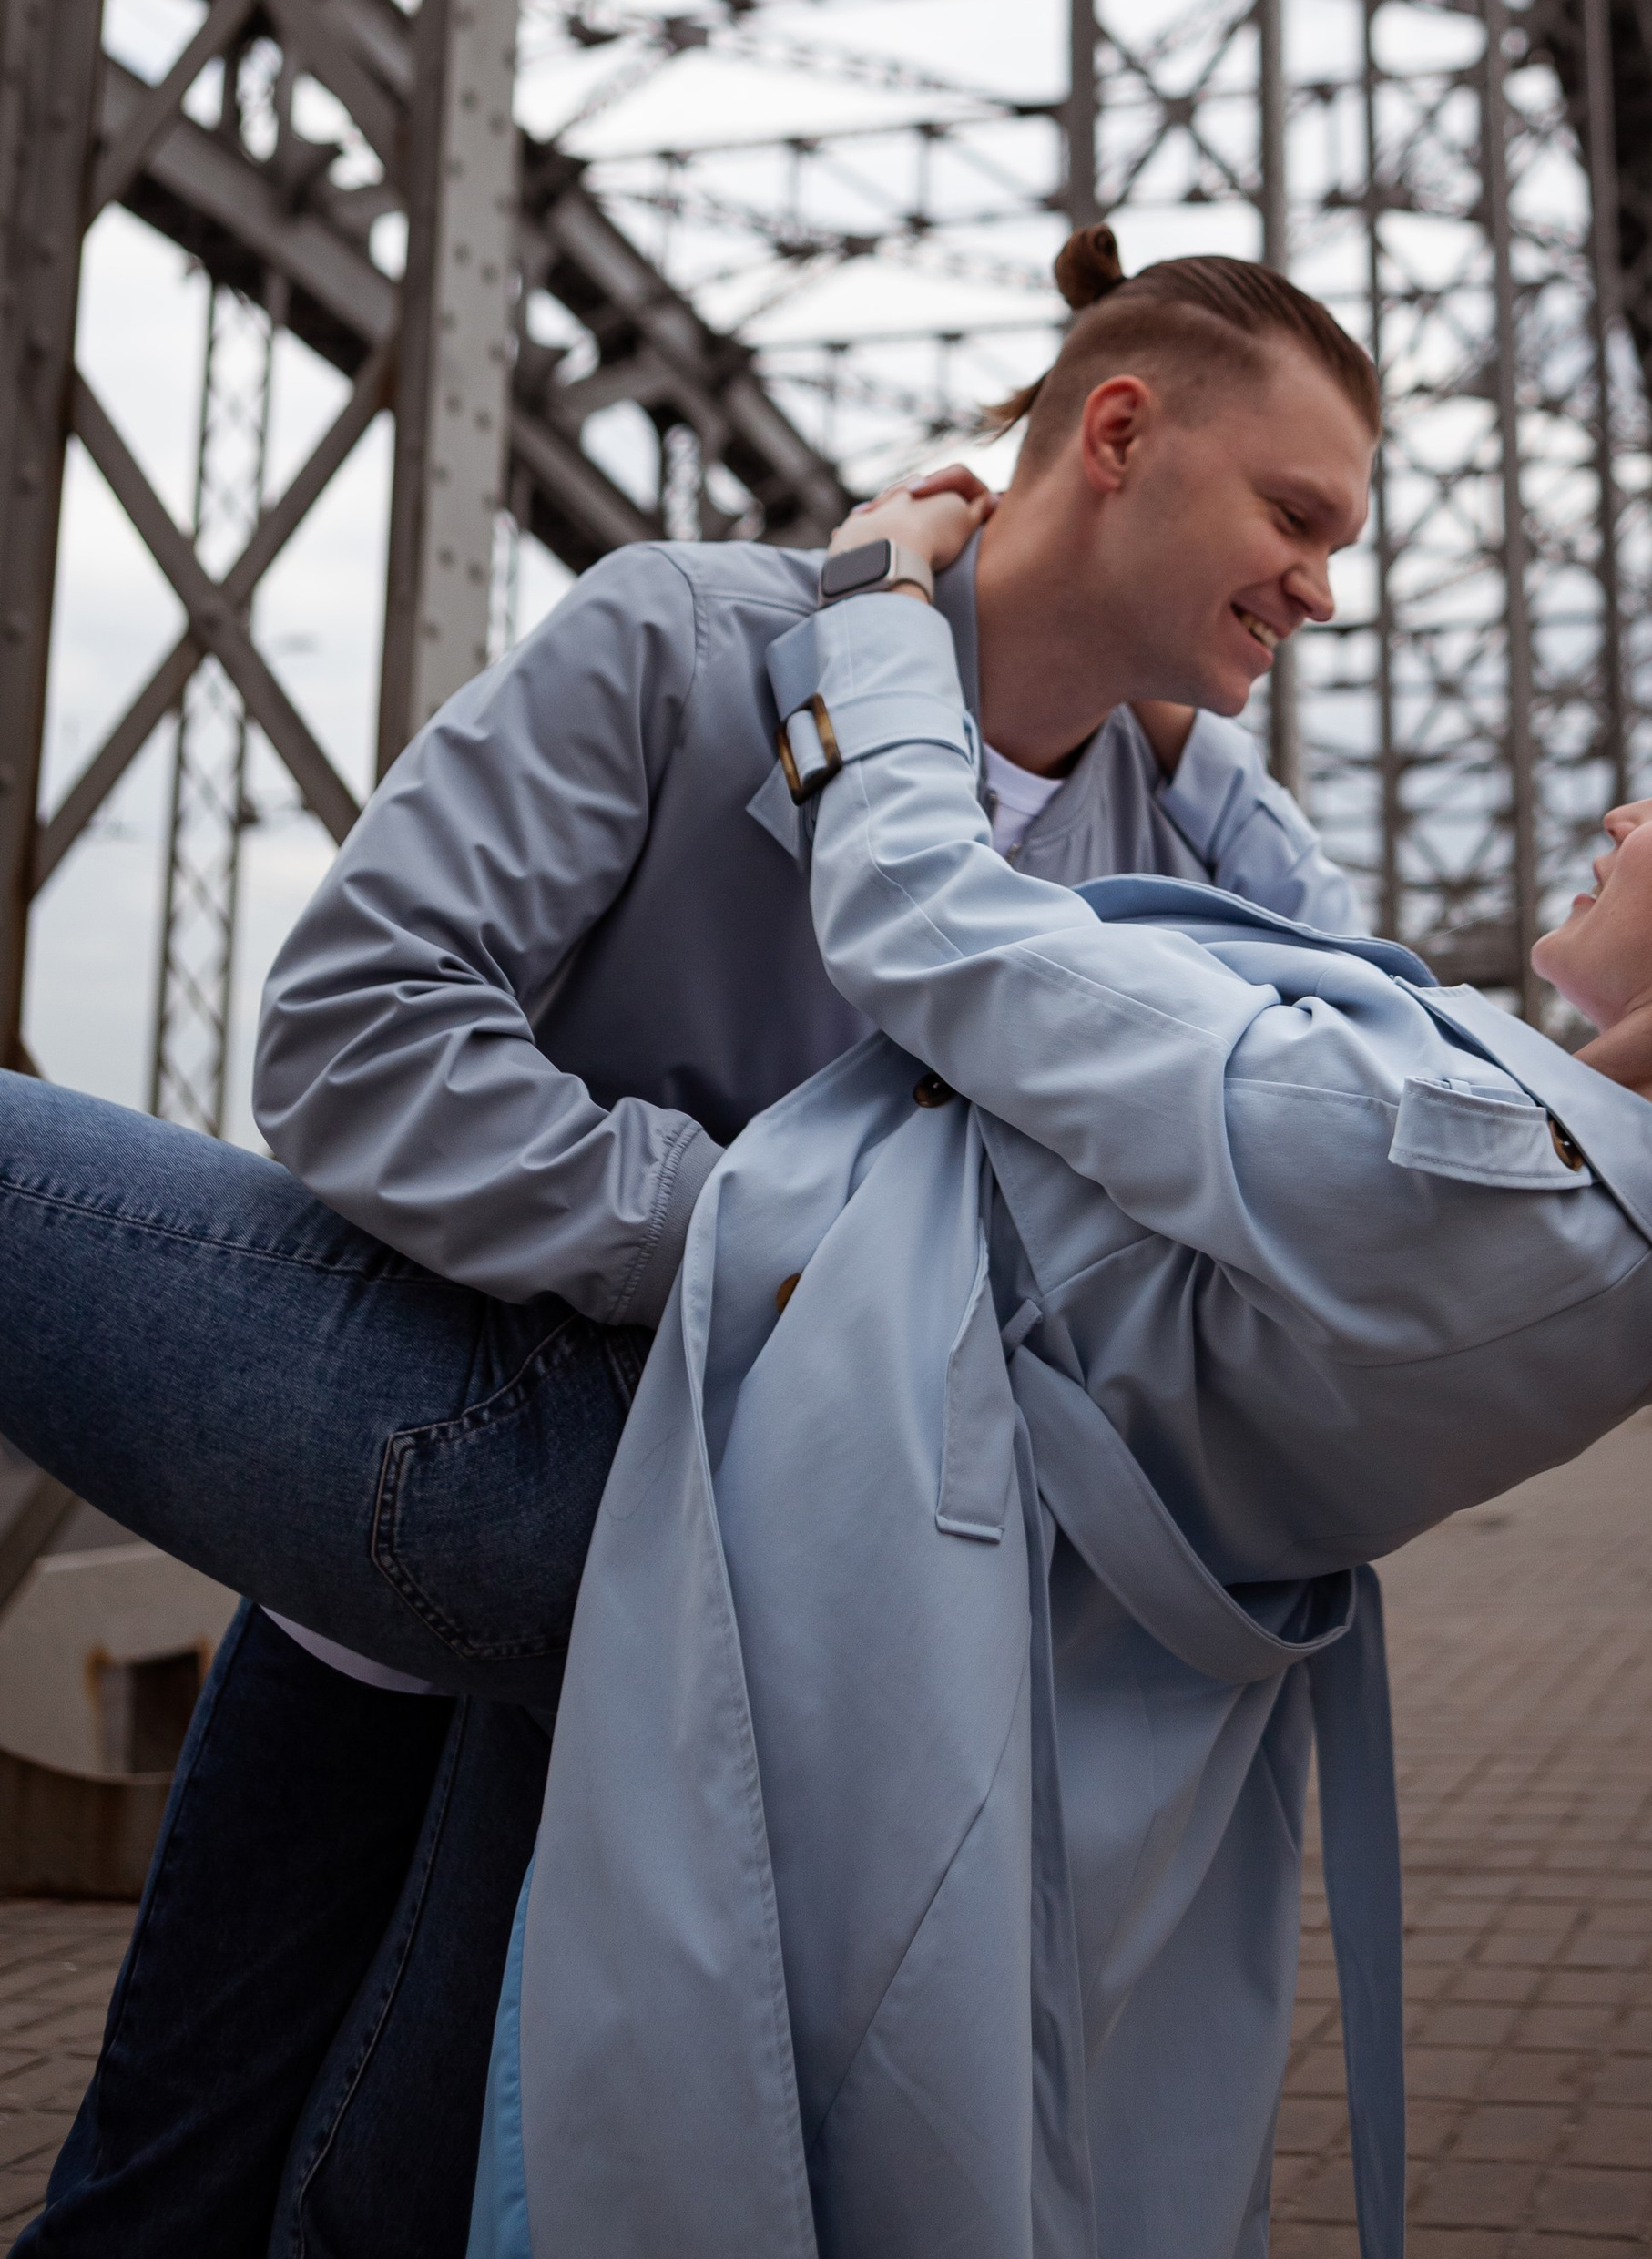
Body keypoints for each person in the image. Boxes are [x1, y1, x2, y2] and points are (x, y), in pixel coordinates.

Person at [466, 474, 1652, 2259]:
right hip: (953, 1670)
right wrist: (1174, 733)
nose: (1615, 808)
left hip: (768, 1594)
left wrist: (876, 615)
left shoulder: (1455, 1168)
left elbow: (926, 926)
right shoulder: (1629, 1244)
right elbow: (1344, 1004)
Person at [0, 229, 1382, 2259]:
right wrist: (753, 1253)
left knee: (380, 2203)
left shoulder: (1166, 848)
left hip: (706, 1645)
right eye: (1295, 515)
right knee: (167, 2166)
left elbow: (1354, 1097)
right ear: (1115, 434)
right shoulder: (684, 641)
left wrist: (1220, 779)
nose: (1321, 587)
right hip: (402, 1542)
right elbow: (359, 1031)